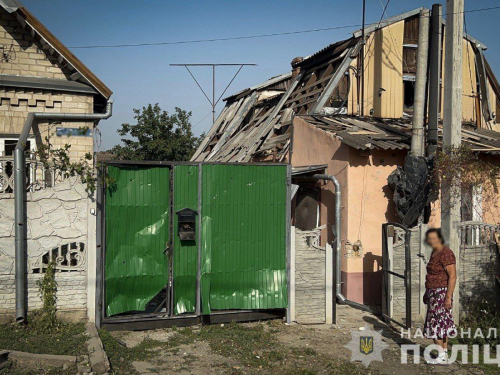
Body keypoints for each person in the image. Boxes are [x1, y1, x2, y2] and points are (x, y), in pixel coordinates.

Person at [423, 228, 458, 365]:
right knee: (441, 325)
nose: (432, 241)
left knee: (437, 325)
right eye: (430, 238)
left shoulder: (446, 253)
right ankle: (443, 355)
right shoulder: (435, 252)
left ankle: (441, 355)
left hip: (441, 294)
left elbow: (453, 277)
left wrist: (448, 297)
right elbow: (432, 275)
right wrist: (427, 292)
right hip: (434, 293)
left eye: (434, 238)